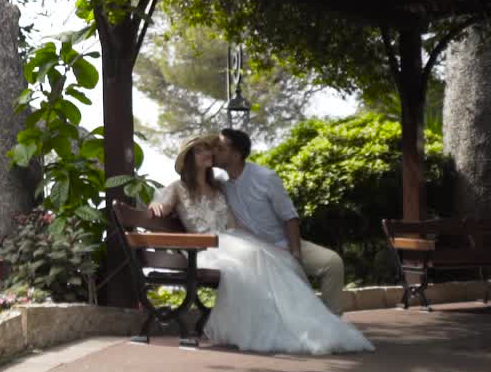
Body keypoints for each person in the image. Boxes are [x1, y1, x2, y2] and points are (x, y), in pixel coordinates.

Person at [149, 134, 373, 355]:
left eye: (209, 148)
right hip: (207, 248)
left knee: (268, 256)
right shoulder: (179, 187)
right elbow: (162, 203)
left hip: (235, 240)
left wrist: (273, 245)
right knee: (253, 256)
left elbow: (239, 222)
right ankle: (275, 324)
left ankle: (305, 321)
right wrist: (156, 205)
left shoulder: (220, 186)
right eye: (200, 150)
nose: (208, 152)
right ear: (188, 158)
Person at [215, 127, 347, 316]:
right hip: (254, 253)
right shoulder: (220, 183)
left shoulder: (265, 178)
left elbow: (289, 217)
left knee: (332, 262)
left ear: (236, 154)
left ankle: (332, 319)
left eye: (220, 148)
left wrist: (295, 253)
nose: (214, 151)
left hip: (284, 243)